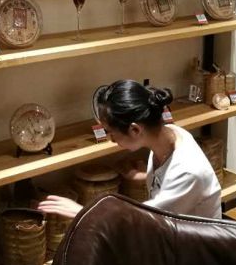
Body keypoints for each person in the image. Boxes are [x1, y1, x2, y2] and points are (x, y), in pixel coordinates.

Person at [37, 79, 222, 219]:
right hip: (171, 233)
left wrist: (83, 212)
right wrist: (144, 176)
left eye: (110, 132)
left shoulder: (188, 171)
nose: (110, 139)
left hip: (192, 250)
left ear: (135, 130)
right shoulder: (170, 134)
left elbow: (144, 220)